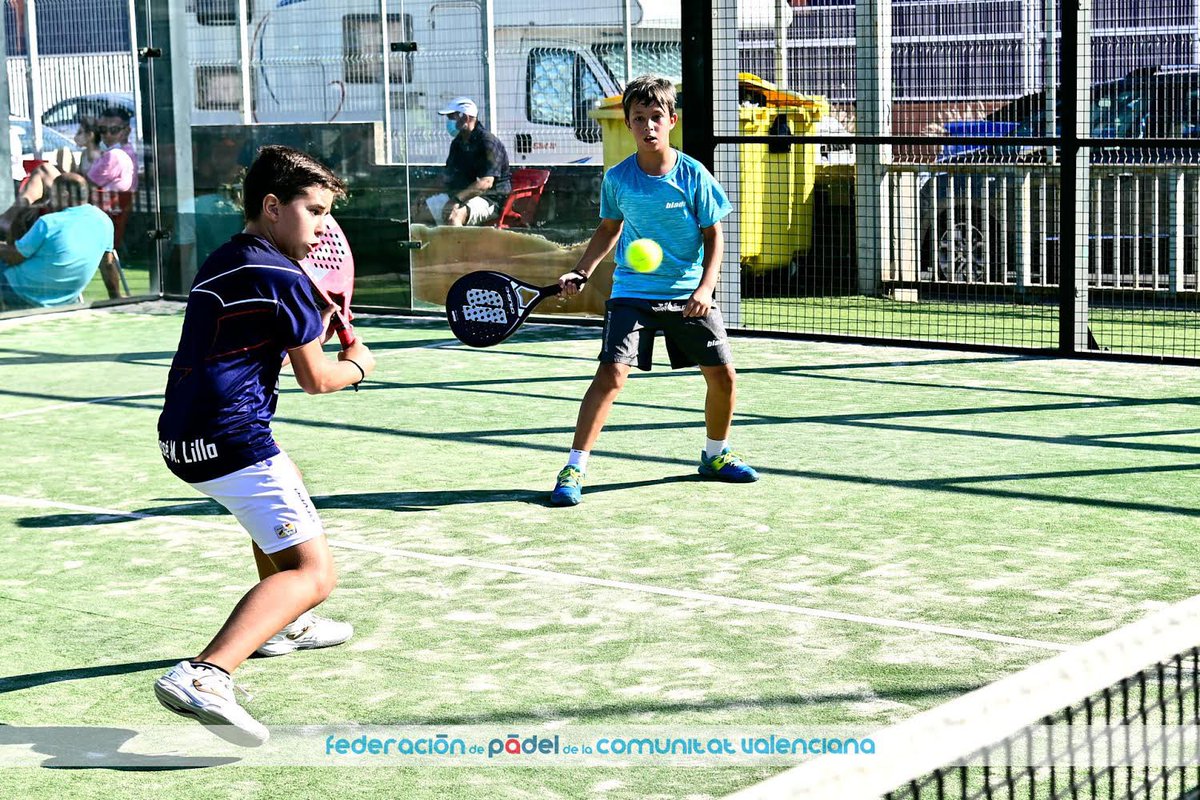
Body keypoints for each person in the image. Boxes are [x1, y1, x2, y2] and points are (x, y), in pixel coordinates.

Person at [152, 145, 377, 746]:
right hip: (232, 438)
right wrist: (359, 363)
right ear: (273, 207)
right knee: (314, 572)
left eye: (330, 213)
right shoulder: (287, 277)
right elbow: (318, 379)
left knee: (280, 488)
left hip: (181, 439)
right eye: (315, 210)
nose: (325, 225)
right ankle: (206, 674)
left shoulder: (227, 257)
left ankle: (283, 628)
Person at [549, 75, 758, 506]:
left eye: (656, 118)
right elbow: (610, 228)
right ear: (627, 123)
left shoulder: (692, 174)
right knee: (610, 375)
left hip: (688, 292)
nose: (648, 126)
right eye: (639, 118)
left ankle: (715, 455)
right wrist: (582, 270)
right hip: (632, 289)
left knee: (723, 376)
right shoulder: (618, 179)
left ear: (671, 121)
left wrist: (705, 288)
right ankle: (574, 467)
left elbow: (714, 235)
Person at [0, 105, 137, 234]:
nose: (106, 134)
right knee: (44, 176)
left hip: (92, 209)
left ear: (127, 130)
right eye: (102, 130)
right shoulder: (126, 153)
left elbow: (83, 185)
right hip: (99, 207)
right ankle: (13, 218)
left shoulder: (115, 155)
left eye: (113, 130)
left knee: (44, 170)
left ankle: (10, 218)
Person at [0, 172, 115, 310]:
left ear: (65, 195)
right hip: (65, 299)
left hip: (23, 293)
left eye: (52, 194)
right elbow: (108, 265)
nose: (49, 200)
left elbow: (14, 257)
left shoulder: (48, 223)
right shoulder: (104, 220)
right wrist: (116, 296)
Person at [423, 96, 511, 226]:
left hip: (489, 199)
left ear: (466, 117)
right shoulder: (457, 143)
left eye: (452, 117)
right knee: (419, 212)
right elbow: (447, 176)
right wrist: (423, 195)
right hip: (460, 195)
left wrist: (456, 200)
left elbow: (486, 182)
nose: (449, 121)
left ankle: (458, 246)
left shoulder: (488, 142)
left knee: (454, 216)